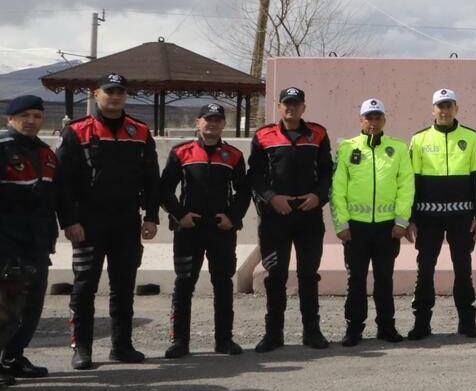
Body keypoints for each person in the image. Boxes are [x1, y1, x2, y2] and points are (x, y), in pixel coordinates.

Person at [56, 72, 160, 369]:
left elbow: (151, 179)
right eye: (109, 91)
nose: (114, 96)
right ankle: (82, 349)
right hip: (88, 224)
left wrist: (151, 217)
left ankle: (122, 346)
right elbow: (63, 183)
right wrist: (69, 221)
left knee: (124, 286)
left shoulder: (139, 131)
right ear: (96, 94)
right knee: (84, 287)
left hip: (126, 223)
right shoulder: (77, 131)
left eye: (120, 92)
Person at [158, 103, 249, 358]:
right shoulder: (182, 152)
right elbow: (164, 189)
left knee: (222, 284)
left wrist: (232, 217)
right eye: (207, 119)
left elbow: (244, 192)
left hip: (221, 230)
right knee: (184, 284)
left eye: (218, 120)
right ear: (198, 123)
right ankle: (179, 341)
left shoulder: (233, 155)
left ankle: (224, 340)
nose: (212, 123)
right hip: (189, 229)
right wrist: (180, 215)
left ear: (224, 124)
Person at [247, 86, 333, 352]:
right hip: (275, 218)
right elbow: (255, 175)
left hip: (309, 216)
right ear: (279, 106)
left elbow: (328, 172)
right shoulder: (263, 136)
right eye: (286, 103)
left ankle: (312, 331)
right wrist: (272, 197)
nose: (291, 108)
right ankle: (273, 334)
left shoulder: (318, 134)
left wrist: (319, 197)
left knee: (308, 275)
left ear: (303, 107)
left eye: (296, 104)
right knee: (276, 276)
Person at [331, 99, 414, 347]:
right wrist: (341, 224)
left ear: (384, 121)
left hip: (387, 228)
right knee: (355, 280)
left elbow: (406, 186)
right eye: (369, 117)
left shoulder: (397, 149)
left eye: (378, 117)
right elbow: (337, 189)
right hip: (356, 228)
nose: (373, 122)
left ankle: (386, 327)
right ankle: (354, 329)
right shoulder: (347, 148)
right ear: (361, 120)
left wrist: (401, 222)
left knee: (384, 279)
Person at [408, 89, 476, 340]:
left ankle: (467, 322)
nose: (444, 110)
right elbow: (412, 182)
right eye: (440, 106)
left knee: (463, 268)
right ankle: (421, 323)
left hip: (462, 217)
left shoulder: (471, 138)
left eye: (448, 106)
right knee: (425, 269)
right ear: (433, 110)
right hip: (428, 218)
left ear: (456, 109)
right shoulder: (419, 139)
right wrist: (411, 218)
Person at [0, 95, 58, 381]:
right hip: (6, 244)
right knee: (4, 310)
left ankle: (13, 357)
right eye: (24, 115)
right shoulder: (2, 149)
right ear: (10, 118)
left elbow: (53, 199)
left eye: (37, 115)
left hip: (36, 244)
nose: (31, 121)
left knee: (31, 306)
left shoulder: (46, 153)